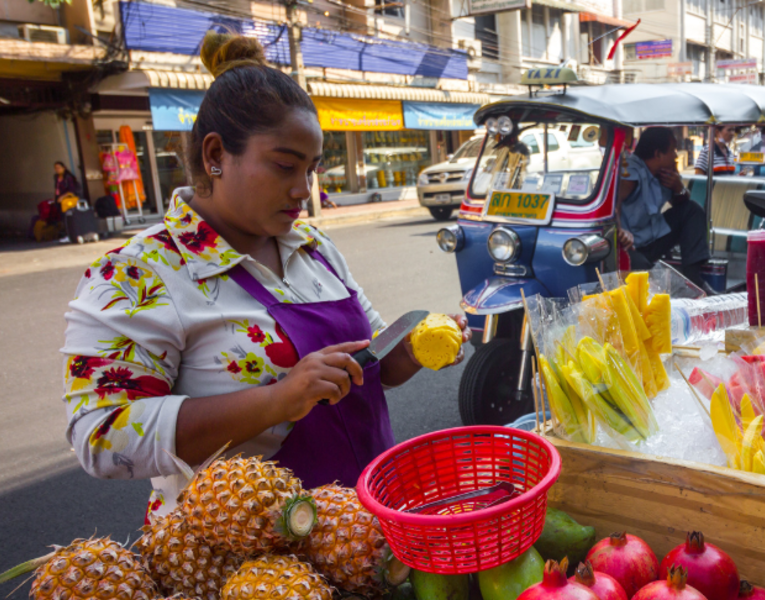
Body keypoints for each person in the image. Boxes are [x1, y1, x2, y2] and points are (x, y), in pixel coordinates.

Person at [61, 32, 470, 519]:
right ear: (215, 155)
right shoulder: (138, 272)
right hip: (250, 559)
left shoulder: (314, 248)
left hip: (364, 529)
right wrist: (279, 399)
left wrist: (409, 349)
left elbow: (368, 368)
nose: (302, 190)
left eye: (313, 169)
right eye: (283, 166)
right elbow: (102, 438)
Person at [617, 127, 710, 288]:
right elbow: (613, 205)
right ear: (658, 154)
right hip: (630, 245)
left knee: (693, 210)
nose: (676, 155)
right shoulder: (631, 172)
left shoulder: (665, 172)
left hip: (653, 237)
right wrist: (620, 230)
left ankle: (693, 277)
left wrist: (678, 188)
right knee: (645, 278)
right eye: (673, 150)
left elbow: (682, 204)